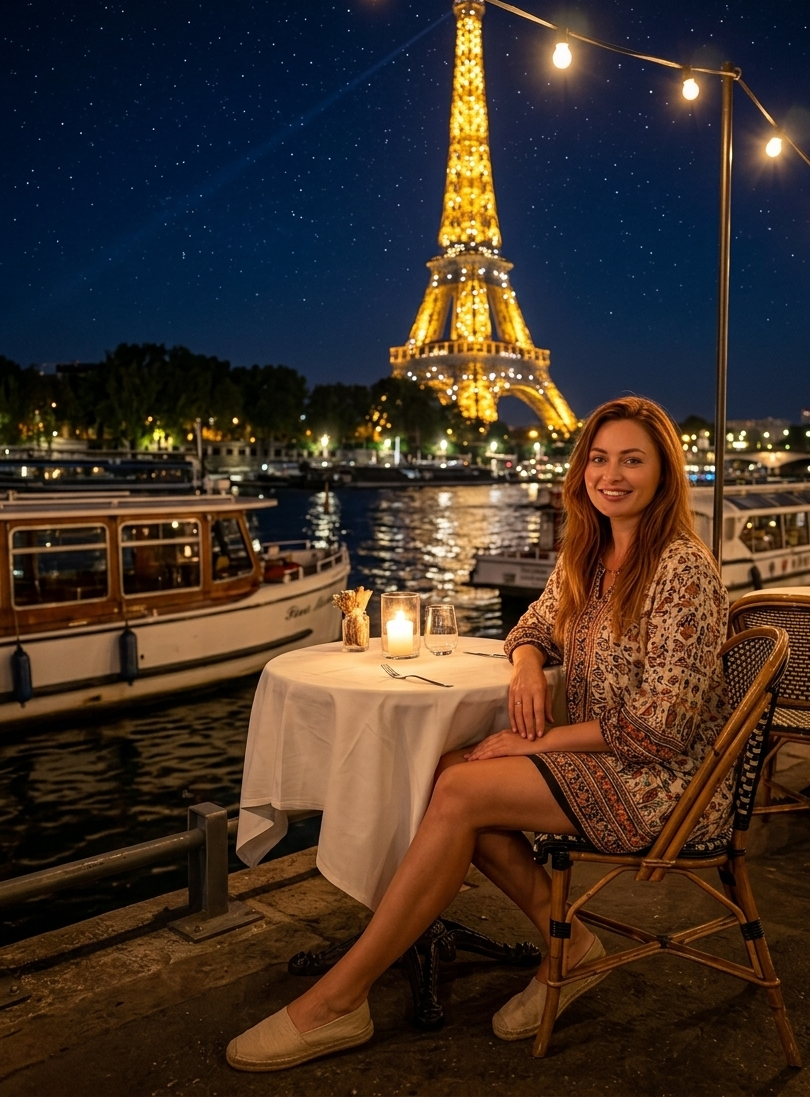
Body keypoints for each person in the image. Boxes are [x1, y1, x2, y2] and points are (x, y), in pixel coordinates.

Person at [226, 396, 732, 1072]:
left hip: (669, 783)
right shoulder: (590, 553)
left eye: (632, 460)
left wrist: (535, 741)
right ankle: (572, 949)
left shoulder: (682, 569)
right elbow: (531, 626)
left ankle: (339, 1000)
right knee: (449, 770)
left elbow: (665, 729)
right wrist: (526, 664)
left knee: (461, 788)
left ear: (665, 474)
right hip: (612, 760)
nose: (611, 474)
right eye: (599, 458)